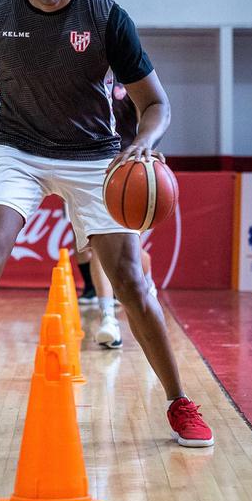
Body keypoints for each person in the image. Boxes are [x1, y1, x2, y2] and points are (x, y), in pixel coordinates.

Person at [0, 0, 214, 455]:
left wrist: (143, 143)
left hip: (96, 157)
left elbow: (156, 104)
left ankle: (179, 401)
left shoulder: (106, 17)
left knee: (129, 280)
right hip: (17, 149)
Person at [92, 77, 158, 350]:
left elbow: (149, 110)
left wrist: (148, 148)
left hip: (129, 169)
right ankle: (108, 318)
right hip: (92, 166)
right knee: (95, 246)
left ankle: (148, 285)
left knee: (130, 249)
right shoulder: (80, 67)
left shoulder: (128, 74)